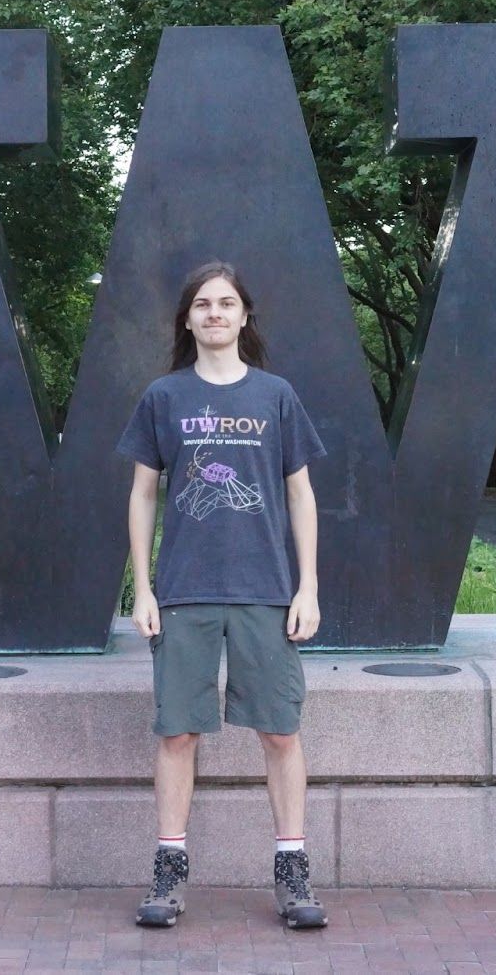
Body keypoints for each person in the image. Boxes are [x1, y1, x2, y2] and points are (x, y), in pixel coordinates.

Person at [115, 260, 328, 930]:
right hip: (184, 591)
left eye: (226, 303)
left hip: (265, 590)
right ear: (187, 319)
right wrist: (143, 588)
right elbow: (142, 494)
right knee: (177, 731)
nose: (214, 313)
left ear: (243, 316)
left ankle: (292, 870)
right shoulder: (163, 397)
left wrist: (307, 586)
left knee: (281, 730)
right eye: (203, 304)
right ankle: (169, 870)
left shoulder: (275, 396)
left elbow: (301, 494)